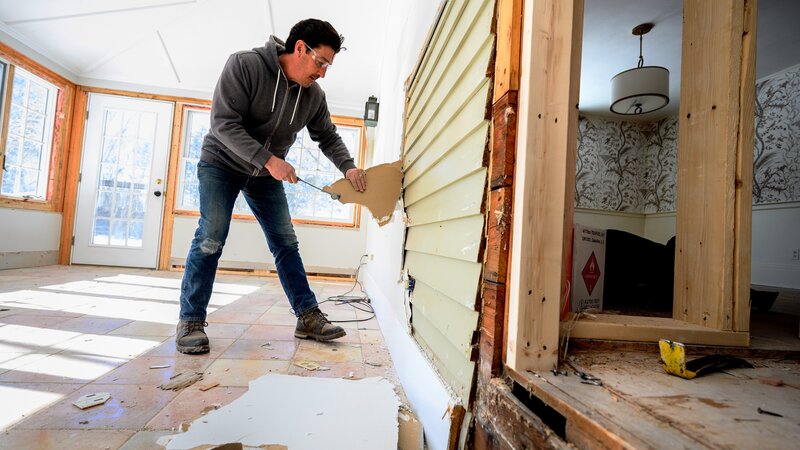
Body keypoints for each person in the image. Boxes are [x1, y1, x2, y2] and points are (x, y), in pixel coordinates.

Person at [176, 19, 367, 354]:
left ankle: (307, 316)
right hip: (220, 163)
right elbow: (223, 123)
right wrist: (269, 159)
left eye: (328, 66)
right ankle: (190, 320)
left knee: (285, 242)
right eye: (320, 62)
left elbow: (328, 136)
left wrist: (349, 168)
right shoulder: (245, 65)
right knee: (211, 236)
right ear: (299, 48)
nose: (322, 73)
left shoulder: (313, 96)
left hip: (264, 175)